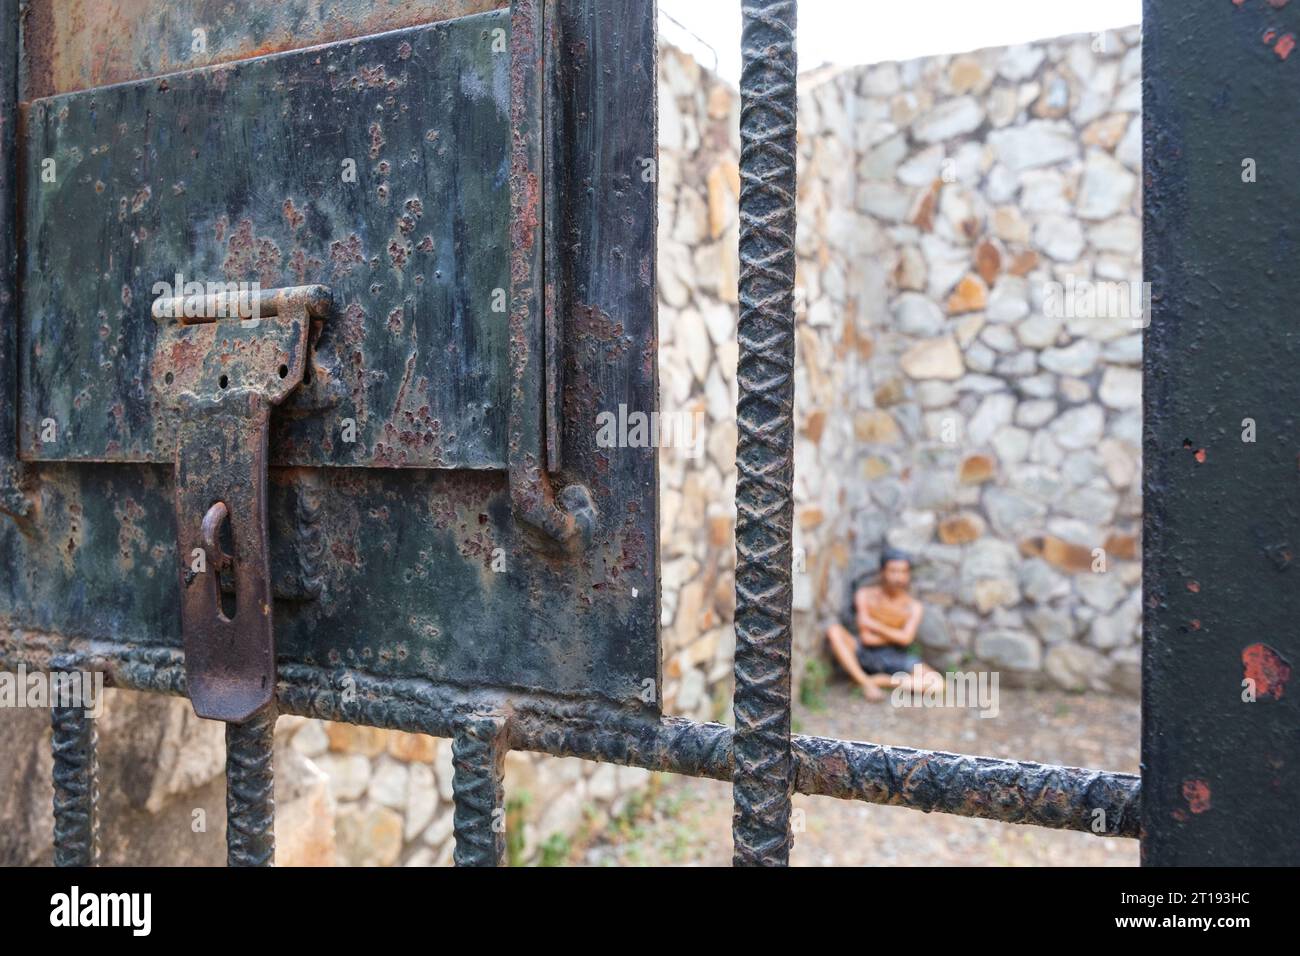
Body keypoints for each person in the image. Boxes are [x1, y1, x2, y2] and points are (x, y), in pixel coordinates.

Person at [825, 548, 943, 701]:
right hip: (864, 651)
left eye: (903, 572)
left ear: (908, 575)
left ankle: (877, 681)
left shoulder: (913, 606)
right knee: (834, 631)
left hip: (897, 657)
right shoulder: (865, 595)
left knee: (937, 683)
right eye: (893, 571)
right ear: (882, 572)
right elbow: (867, 638)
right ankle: (865, 681)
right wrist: (895, 635)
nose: (898, 577)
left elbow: (906, 639)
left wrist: (874, 625)